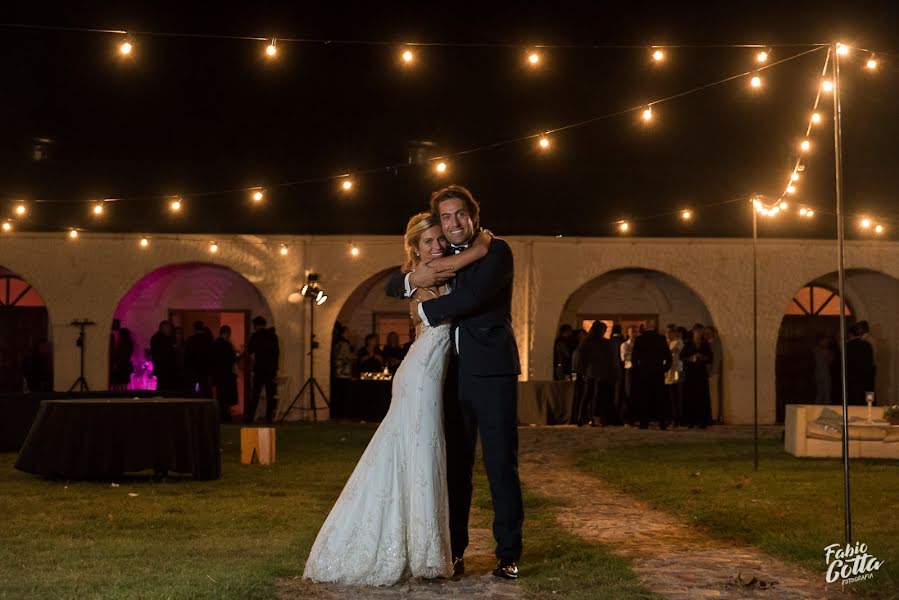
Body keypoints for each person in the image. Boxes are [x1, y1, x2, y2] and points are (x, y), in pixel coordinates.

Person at [304, 208, 494, 585]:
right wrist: (485, 241)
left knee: (414, 455)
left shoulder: (439, 272)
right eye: (429, 241)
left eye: (440, 238)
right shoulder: (425, 275)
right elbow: (466, 262)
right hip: (420, 375)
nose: (438, 245)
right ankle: (421, 555)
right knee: (422, 454)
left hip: (428, 372)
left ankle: (419, 549)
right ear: (415, 249)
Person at [573, 321, 619, 426]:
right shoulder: (604, 343)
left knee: (587, 397)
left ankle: (582, 418)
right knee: (597, 398)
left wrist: (583, 371)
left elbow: (580, 359)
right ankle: (595, 419)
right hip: (600, 374)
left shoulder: (586, 342)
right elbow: (611, 359)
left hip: (590, 373)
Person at [631, 325, 670, 429]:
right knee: (660, 399)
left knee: (644, 398)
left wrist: (637, 370)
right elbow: (669, 357)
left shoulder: (640, 339)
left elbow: (634, 358)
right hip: (658, 371)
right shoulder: (661, 339)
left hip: (644, 371)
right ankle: (662, 422)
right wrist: (664, 369)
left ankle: (644, 422)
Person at [244, 316, 280, 423]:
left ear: (256, 325)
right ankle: (269, 417)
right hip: (270, 370)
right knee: (270, 394)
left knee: (255, 394)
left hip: (259, 369)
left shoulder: (256, 336)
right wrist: (275, 367)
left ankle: (250, 417)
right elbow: (277, 352)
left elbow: (250, 350)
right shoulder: (273, 336)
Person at [681, 327, 713, 428]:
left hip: (701, 374)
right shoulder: (688, 344)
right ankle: (690, 421)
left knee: (702, 397)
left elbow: (710, 358)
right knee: (691, 397)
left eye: (701, 333)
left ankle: (702, 421)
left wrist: (702, 357)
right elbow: (682, 357)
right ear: (693, 333)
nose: (699, 334)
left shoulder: (705, 344)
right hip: (691, 374)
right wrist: (691, 358)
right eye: (697, 332)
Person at [211, 325, 239, 422]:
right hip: (227, 375)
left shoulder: (215, 344)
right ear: (227, 333)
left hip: (218, 375)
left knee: (220, 396)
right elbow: (232, 359)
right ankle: (226, 416)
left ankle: (220, 415)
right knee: (226, 396)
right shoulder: (227, 345)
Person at [845, 324, 875, 405]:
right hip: (866, 380)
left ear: (850, 334)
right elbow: (870, 363)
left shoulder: (847, 346)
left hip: (852, 380)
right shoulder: (867, 345)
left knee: (854, 403)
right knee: (868, 403)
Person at [330, 325, 355, 419]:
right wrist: (354, 356)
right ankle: (342, 415)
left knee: (339, 394)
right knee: (344, 395)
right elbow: (347, 357)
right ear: (344, 333)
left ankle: (338, 414)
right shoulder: (344, 344)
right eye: (348, 332)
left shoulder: (337, 344)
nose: (350, 334)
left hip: (338, 372)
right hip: (344, 373)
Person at [184, 320, 214, 395]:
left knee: (190, 391)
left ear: (194, 328)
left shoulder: (190, 340)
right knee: (205, 390)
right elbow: (211, 356)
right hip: (204, 369)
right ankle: (205, 406)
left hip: (192, 369)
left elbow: (186, 356)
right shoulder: (208, 340)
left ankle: (190, 406)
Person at [150, 320, 178, 391]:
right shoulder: (161, 339)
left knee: (163, 386)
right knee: (164, 387)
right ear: (162, 328)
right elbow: (162, 354)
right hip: (164, 367)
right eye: (167, 328)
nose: (169, 330)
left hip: (164, 368)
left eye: (169, 328)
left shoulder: (162, 338)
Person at [664, 325, 684, 427]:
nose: (667, 334)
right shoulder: (669, 343)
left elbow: (672, 352)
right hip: (669, 372)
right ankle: (671, 417)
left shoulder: (678, 342)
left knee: (675, 395)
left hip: (677, 371)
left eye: (669, 332)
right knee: (670, 396)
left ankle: (677, 419)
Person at [620, 326, 639, 425]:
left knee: (637, 394)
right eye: (632, 332)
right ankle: (628, 418)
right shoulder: (625, 345)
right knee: (629, 394)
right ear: (628, 333)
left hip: (638, 370)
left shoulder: (640, 344)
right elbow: (624, 358)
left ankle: (636, 417)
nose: (634, 334)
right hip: (630, 370)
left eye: (636, 332)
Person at [704, 326, 723, 422]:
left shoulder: (716, 344)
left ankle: (714, 416)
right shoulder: (706, 343)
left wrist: (712, 372)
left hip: (713, 373)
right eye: (705, 332)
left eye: (708, 332)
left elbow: (717, 359)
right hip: (707, 372)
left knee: (713, 395)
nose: (706, 334)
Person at [109, 327, 134, 392]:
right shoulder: (129, 344)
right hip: (126, 366)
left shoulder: (121, 344)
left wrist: (115, 363)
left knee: (117, 384)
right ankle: (124, 399)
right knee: (124, 385)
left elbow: (118, 355)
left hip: (120, 367)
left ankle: (117, 399)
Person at [813, 334, 835, 405]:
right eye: (825, 340)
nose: (827, 342)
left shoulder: (816, 350)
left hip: (818, 372)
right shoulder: (821, 350)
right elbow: (829, 360)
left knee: (821, 393)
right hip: (823, 372)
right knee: (825, 393)